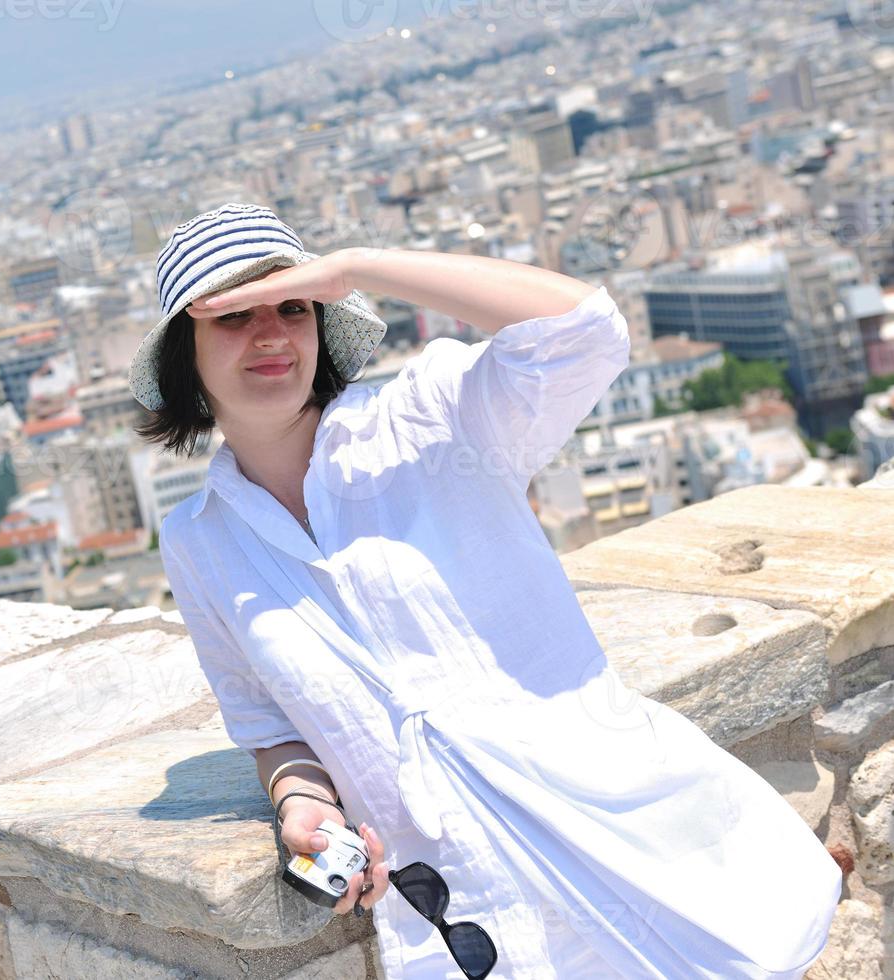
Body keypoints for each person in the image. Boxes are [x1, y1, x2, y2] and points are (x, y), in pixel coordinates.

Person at [131, 203, 842, 978]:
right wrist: (304, 807)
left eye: (294, 307)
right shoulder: (200, 542)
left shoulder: (430, 421)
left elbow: (583, 330)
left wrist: (357, 267)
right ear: (185, 357)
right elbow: (269, 725)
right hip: (469, 912)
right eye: (233, 316)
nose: (271, 335)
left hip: (630, 852)